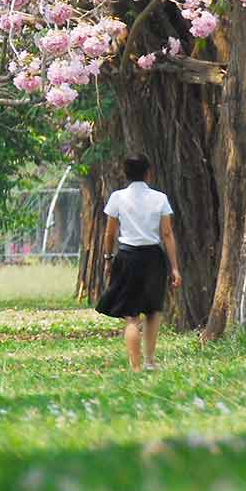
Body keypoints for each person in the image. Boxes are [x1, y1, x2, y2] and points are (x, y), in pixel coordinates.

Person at [94, 154, 182, 372]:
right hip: (153, 258)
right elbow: (167, 233)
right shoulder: (160, 198)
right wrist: (174, 267)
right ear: (148, 172)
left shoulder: (117, 198)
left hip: (127, 258)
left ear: (125, 173)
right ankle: (150, 361)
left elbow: (109, 233)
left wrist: (107, 258)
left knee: (131, 317)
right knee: (153, 311)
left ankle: (135, 367)